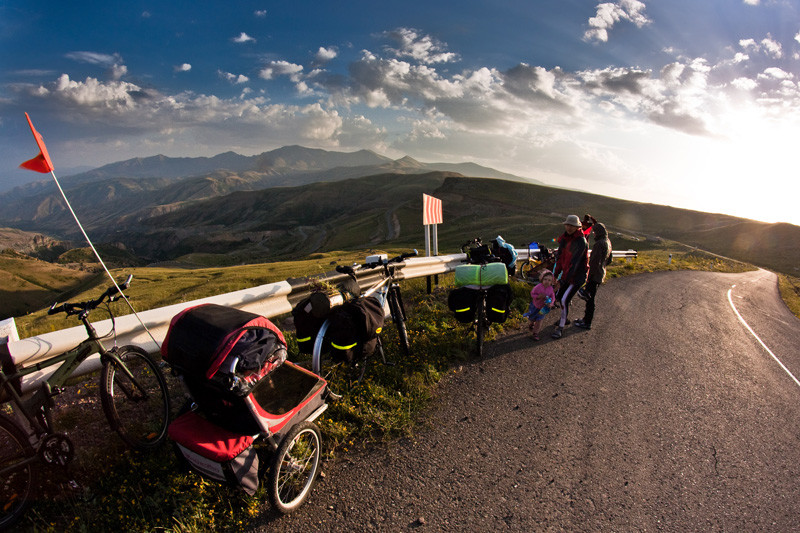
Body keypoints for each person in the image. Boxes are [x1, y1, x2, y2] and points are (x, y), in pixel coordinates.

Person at [551, 215, 589, 339]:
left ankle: (561, 327)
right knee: (559, 297)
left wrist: (562, 281)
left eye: (572, 225)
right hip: (567, 274)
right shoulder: (564, 239)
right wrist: (555, 275)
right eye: (567, 225)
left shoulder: (580, 241)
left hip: (577, 276)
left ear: (577, 227)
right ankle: (565, 318)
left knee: (563, 300)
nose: (568, 227)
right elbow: (560, 258)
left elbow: (575, 263)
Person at [575, 222, 613, 330]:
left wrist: (588, 276)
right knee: (590, 299)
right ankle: (586, 319)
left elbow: (593, 263)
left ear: (598, 232)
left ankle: (587, 322)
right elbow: (610, 259)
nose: (593, 234)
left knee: (589, 299)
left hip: (594, 275)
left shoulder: (599, 244)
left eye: (594, 232)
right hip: (600, 274)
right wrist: (603, 266)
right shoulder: (608, 241)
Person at [523, 270, 556, 341]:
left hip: (543, 308)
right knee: (532, 317)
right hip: (535, 306)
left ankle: (535, 333)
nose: (547, 281)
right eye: (545, 279)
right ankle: (531, 323)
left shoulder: (550, 289)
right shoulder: (538, 287)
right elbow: (532, 294)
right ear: (542, 279)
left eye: (549, 280)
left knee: (539, 320)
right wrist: (538, 296)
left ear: (552, 282)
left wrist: (551, 303)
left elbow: (553, 297)